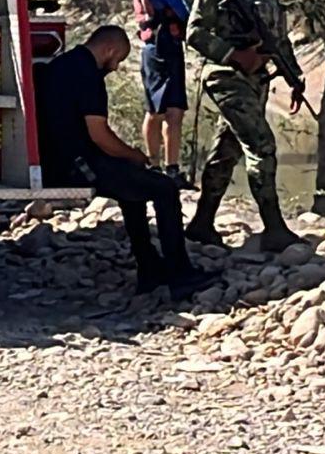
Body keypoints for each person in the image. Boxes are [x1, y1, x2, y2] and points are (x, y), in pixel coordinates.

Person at [36, 25, 216, 297]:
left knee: (131, 186)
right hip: (78, 166)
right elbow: (99, 135)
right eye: (118, 59)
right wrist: (135, 154)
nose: (117, 67)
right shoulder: (88, 75)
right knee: (164, 189)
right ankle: (180, 274)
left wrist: (127, 160)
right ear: (109, 49)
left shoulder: (62, 64)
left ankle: (149, 268)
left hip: (59, 161)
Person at [184, 0, 308, 253]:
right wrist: (234, 56)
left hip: (258, 79)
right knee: (262, 145)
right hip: (226, 77)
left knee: (227, 151)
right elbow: (193, 32)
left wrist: (293, 75)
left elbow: (279, 38)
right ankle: (273, 228)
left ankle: (201, 223)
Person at [133, 0, 195, 184]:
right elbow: (185, 12)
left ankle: (155, 166)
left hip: (151, 48)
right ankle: (169, 169)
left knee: (157, 109)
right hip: (166, 48)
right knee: (172, 111)